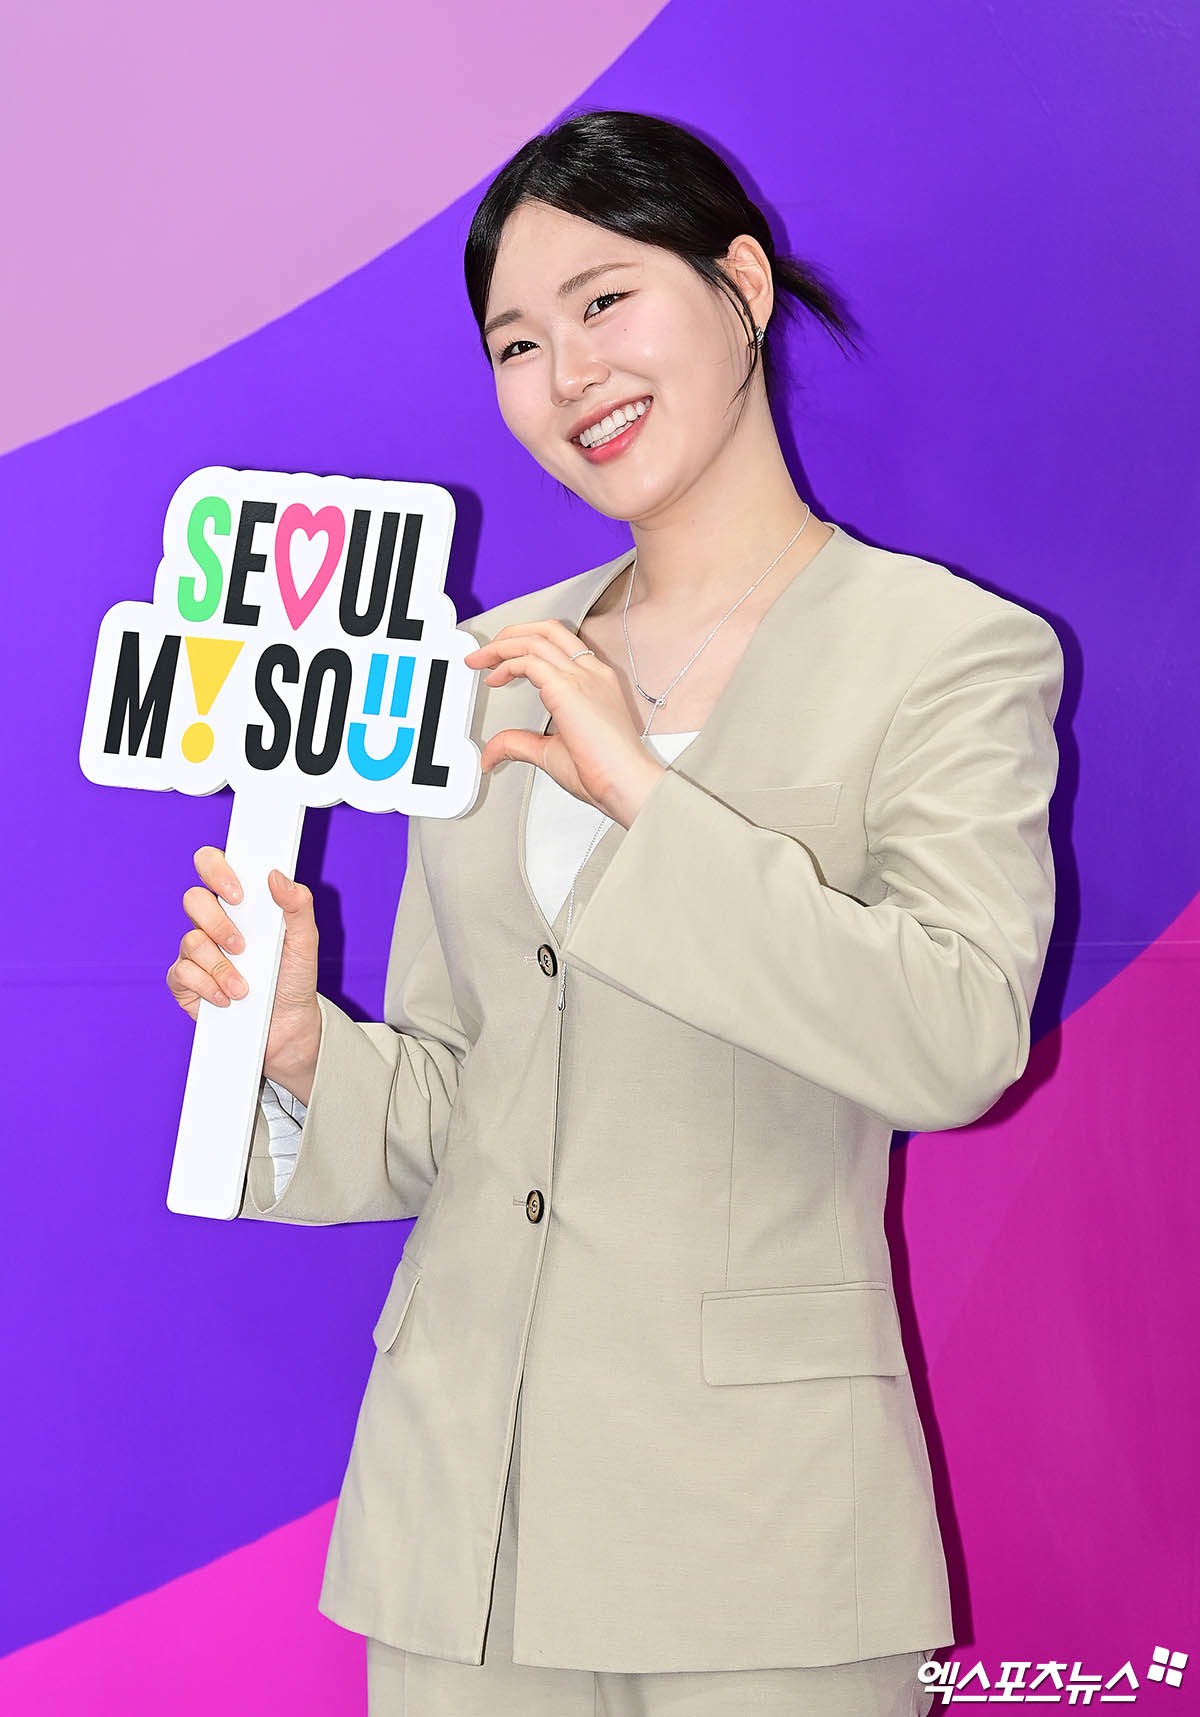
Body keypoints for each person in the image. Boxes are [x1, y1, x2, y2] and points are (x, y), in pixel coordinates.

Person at [167, 109, 1064, 1716]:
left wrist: (645, 794)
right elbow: (459, 1104)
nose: (567, 373)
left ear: (741, 287)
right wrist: (301, 1048)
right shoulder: (482, 668)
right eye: (517, 342)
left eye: (604, 301)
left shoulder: (948, 655)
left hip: (765, 1544)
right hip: (459, 1537)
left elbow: (954, 1037)